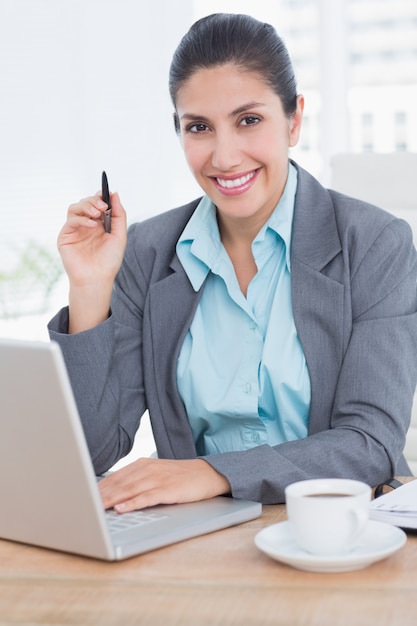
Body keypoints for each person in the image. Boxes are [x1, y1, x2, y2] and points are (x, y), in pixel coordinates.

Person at [49, 13, 417, 513]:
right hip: (196, 538)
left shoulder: (375, 245)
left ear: (294, 120)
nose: (224, 157)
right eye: (199, 127)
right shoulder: (147, 253)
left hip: (337, 529)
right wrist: (90, 290)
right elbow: (91, 453)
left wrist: (212, 473)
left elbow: (369, 445)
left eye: (248, 120)